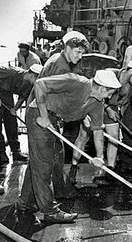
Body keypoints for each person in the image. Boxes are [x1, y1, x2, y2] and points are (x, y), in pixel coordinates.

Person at [15, 70, 121, 223]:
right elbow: (40, 84)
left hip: (55, 118)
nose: (110, 97)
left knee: (51, 159)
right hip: (38, 114)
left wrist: (99, 156)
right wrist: (44, 116)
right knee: (44, 164)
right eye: (109, 93)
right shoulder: (76, 82)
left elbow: (97, 129)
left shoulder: (98, 102)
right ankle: (50, 211)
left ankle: (25, 202)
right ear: (102, 89)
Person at [27, 30, 90, 199]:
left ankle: (29, 200)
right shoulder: (61, 67)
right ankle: (48, 208)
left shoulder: (56, 59)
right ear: (68, 47)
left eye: (82, 53)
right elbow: (45, 89)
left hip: (42, 111)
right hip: (42, 114)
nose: (80, 56)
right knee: (44, 162)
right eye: (78, 52)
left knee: (47, 156)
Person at [68, 59, 132, 184]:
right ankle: (73, 167)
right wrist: (108, 108)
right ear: (130, 71)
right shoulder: (110, 75)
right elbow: (97, 92)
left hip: (112, 109)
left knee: (114, 138)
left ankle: (110, 170)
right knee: (83, 136)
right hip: (96, 104)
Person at [0, 64, 43, 171]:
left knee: (12, 123)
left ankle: (16, 151)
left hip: (7, 96)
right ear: (32, 75)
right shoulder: (12, 72)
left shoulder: (29, 85)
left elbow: (22, 97)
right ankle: (1, 153)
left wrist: (15, 109)